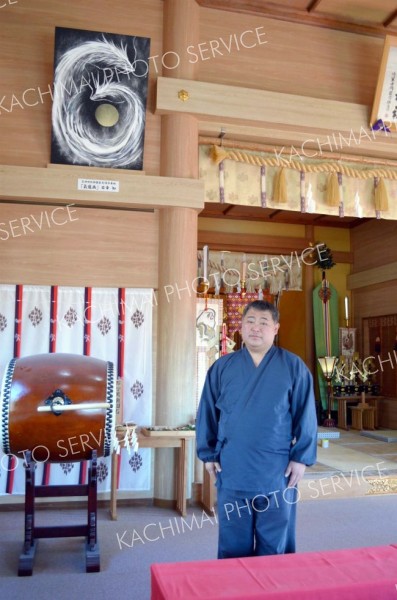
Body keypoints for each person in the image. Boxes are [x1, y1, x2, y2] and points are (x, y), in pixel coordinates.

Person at [196, 300, 317, 559]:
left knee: (274, 542)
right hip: (233, 466)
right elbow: (207, 412)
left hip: (277, 468)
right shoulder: (222, 367)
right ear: (240, 326)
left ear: (276, 328)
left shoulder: (293, 367)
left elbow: (306, 415)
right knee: (233, 541)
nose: (255, 328)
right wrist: (208, 454)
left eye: (264, 323)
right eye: (250, 321)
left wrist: (301, 458)